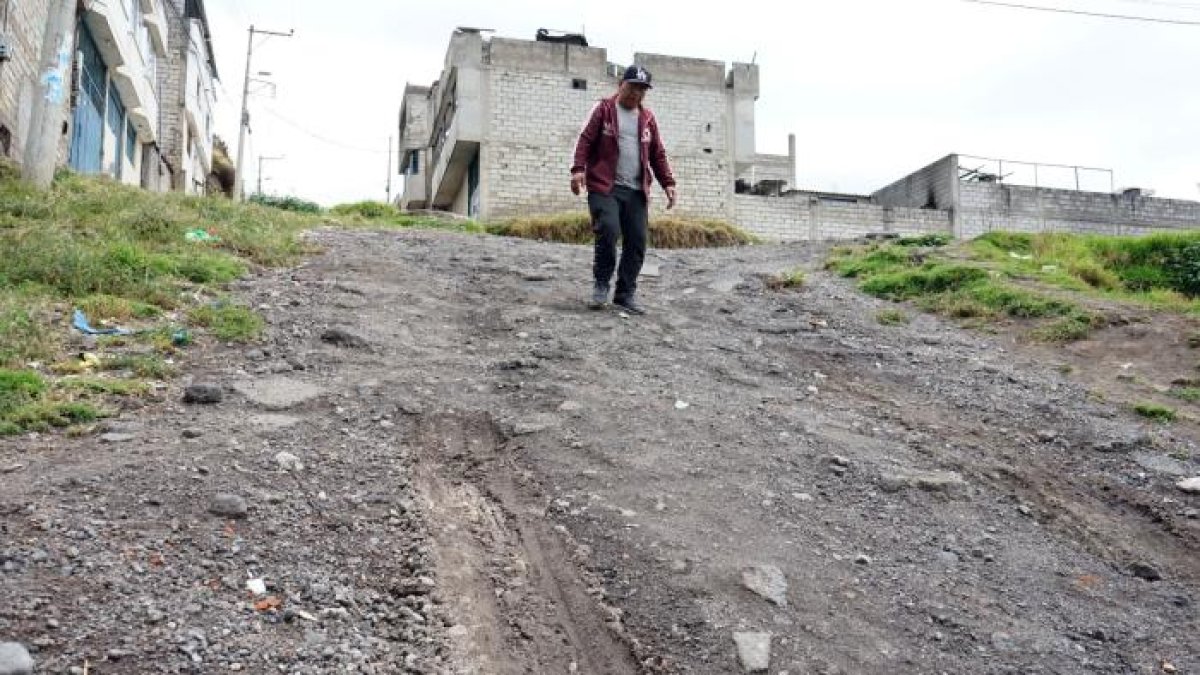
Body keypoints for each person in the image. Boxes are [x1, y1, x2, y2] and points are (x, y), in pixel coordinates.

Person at [571, 65, 677, 315]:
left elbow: (658, 154)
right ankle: (601, 285)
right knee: (608, 231)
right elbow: (585, 139)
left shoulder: (647, 118)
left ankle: (625, 294)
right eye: (632, 88)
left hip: (636, 191)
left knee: (637, 241)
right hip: (604, 186)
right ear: (621, 85)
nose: (636, 94)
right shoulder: (604, 109)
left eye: (642, 90)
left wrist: (668, 183)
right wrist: (577, 169)